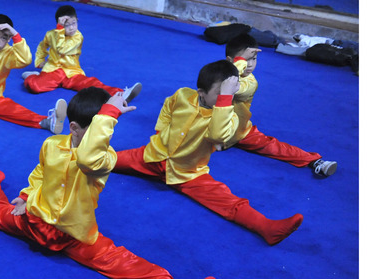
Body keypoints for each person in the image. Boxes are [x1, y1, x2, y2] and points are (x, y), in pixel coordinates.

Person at [0, 87, 219, 279]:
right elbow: (41, 172)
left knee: (126, 264)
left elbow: (87, 157)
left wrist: (109, 115)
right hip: (34, 220)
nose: (103, 139)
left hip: (74, 234)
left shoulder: (104, 158)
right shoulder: (50, 145)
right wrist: (26, 196)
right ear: (75, 129)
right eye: (97, 132)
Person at [113, 60, 303, 245]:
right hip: (152, 156)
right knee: (106, 160)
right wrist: (160, 131)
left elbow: (217, 135)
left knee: (226, 199)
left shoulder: (230, 117)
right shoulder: (183, 95)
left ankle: (267, 227)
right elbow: (168, 106)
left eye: (229, 93)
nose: (226, 97)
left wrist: (225, 99)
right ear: (201, 93)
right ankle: (81, 152)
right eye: (220, 94)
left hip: (188, 173)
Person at [222, 33, 337, 176]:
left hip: (239, 131)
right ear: (231, 61)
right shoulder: (219, 73)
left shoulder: (251, 82)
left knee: (272, 146)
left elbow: (230, 86)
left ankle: (314, 160)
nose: (250, 64)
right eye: (245, 60)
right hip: (211, 128)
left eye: (254, 59)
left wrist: (238, 63)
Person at [21, 4, 142, 103]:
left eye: (74, 23)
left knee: (92, 85)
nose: (72, 28)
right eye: (67, 25)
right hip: (53, 70)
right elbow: (42, 46)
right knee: (34, 87)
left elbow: (61, 49)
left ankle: (121, 93)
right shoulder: (51, 34)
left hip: (72, 72)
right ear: (59, 25)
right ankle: (32, 75)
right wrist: (39, 61)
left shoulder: (78, 37)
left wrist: (60, 30)